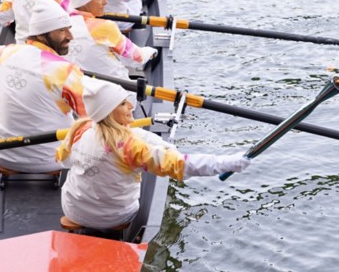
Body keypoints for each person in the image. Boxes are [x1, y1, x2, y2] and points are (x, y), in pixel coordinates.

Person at [57, 78, 251, 231]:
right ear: (108, 112)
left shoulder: (79, 130)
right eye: (124, 104)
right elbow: (182, 166)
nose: (132, 106)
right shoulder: (130, 147)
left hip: (73, 209)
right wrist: (229, 163)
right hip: (114, 217)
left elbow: (63, 161)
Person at [0, 0, 86, 173]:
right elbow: (92, 115)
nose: (70, 36)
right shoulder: (66, 71)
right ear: (41, 34)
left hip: (2, 155)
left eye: (69, 29)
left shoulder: (3, 53)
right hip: (52, 160)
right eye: (62, 30)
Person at [66, 0, 157, 79]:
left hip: (78, 88)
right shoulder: (104, 27)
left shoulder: (61, 27)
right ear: (85, 2)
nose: (105, 2)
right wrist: (151, 51)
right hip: (113, 89)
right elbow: (136, 58)